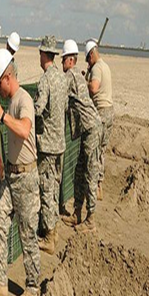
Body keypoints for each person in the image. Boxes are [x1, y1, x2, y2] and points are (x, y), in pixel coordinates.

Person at [0, 49, 40, 296]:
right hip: (13, 175)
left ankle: (34, 287)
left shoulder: (23, 99)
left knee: (27, 234)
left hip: (26, 178)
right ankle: (0, 282)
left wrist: (3, 117)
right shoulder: (11, 100)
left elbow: (24, 129)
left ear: (7, 78)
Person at [60, 39, 103, 233]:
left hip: (92, 129)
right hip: (89, 129)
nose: (61, 64)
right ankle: (77, 212)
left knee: (90, 173)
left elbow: (59, 96)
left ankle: (91, 219)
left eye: (62, 60)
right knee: (79, 170)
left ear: (69, 60)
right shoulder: (78, 74)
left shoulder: (70, 75)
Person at [34, 36, 67, 255]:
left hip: (47, 144)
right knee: (54, 187)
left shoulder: (46, 80)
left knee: (46, 189)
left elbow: (37, 110)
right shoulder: (62, 78)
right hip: (60, 143)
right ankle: (54, 230)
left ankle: (48, 237)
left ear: (44, 55)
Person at [85, 40, 113, 201]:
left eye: (88, 59)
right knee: (102, 150)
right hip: (110, 111)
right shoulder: (105, 66)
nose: (88, 62)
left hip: (101, 112)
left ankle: (95, 187)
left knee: (95, 151)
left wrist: (85, 82)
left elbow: (94, 88)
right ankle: (99, 183)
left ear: (91, 54)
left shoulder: (96, 68)